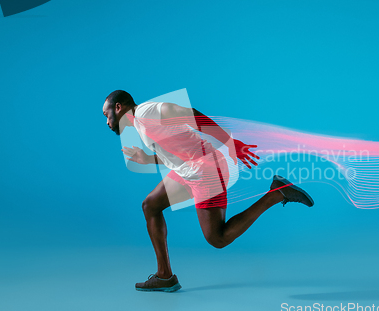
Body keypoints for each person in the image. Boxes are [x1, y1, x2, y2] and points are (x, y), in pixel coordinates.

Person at [102, 90, 314, 292]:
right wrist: (146, 159)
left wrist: (231, 144)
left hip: (205, 171)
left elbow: (190, 114)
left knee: (217, 238)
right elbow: (175, 152)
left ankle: (277, 193)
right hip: (187, 171)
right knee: (150, 205)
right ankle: (165, 276)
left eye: (107, 115)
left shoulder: (148, 112)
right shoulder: (140, 123)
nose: (107, 122)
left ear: (118, 107)